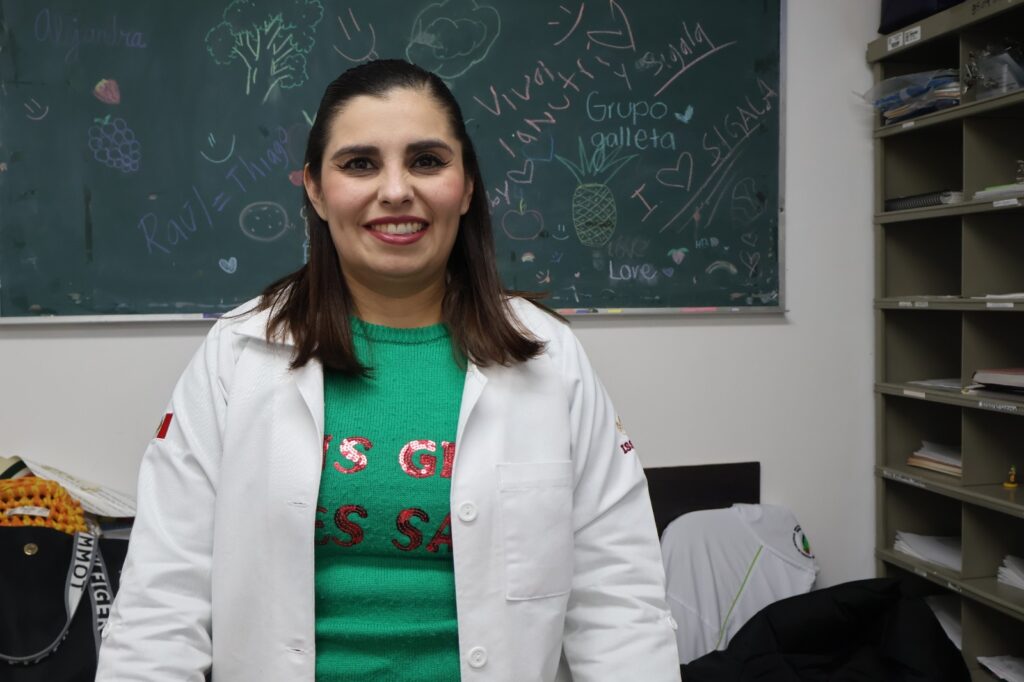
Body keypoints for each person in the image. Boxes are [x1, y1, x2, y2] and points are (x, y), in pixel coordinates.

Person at [96, 59, 680, 682]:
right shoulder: (238, 355)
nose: (397, 190)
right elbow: (162, 606)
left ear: (467, 185)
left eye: (426, 161)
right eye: (359, 164)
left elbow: (620, 607)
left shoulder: (549, 357)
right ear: (315, 189)